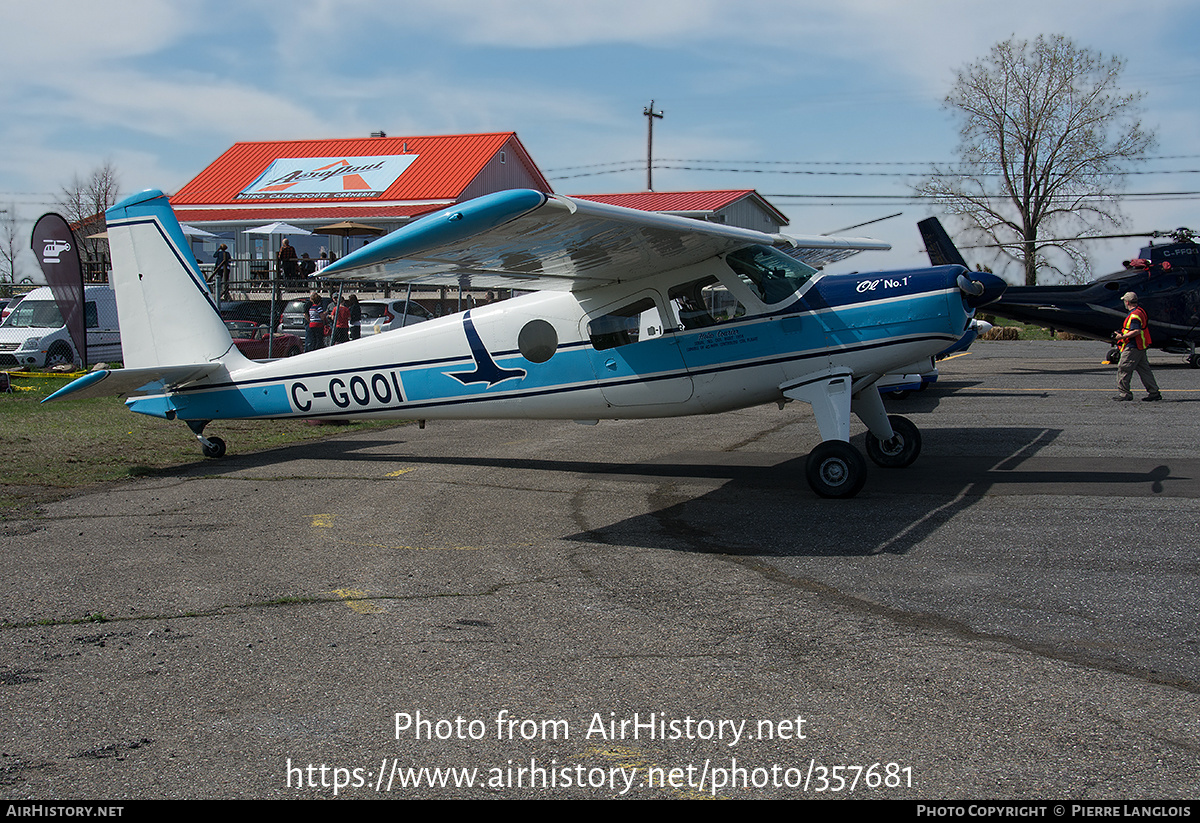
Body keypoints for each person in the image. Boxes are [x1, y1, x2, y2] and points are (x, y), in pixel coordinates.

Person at [1112, 291, 1161, 402]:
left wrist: (1121, 337)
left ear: (1127, 302)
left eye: (1124, 301)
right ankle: (1154, 392)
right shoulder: (1140, 311)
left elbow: (1136, 331)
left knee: (1123, 368)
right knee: (1144, 370)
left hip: (1133, 346)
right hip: (1140, 345)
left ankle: (1125, 393)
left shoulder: (1134, 315)